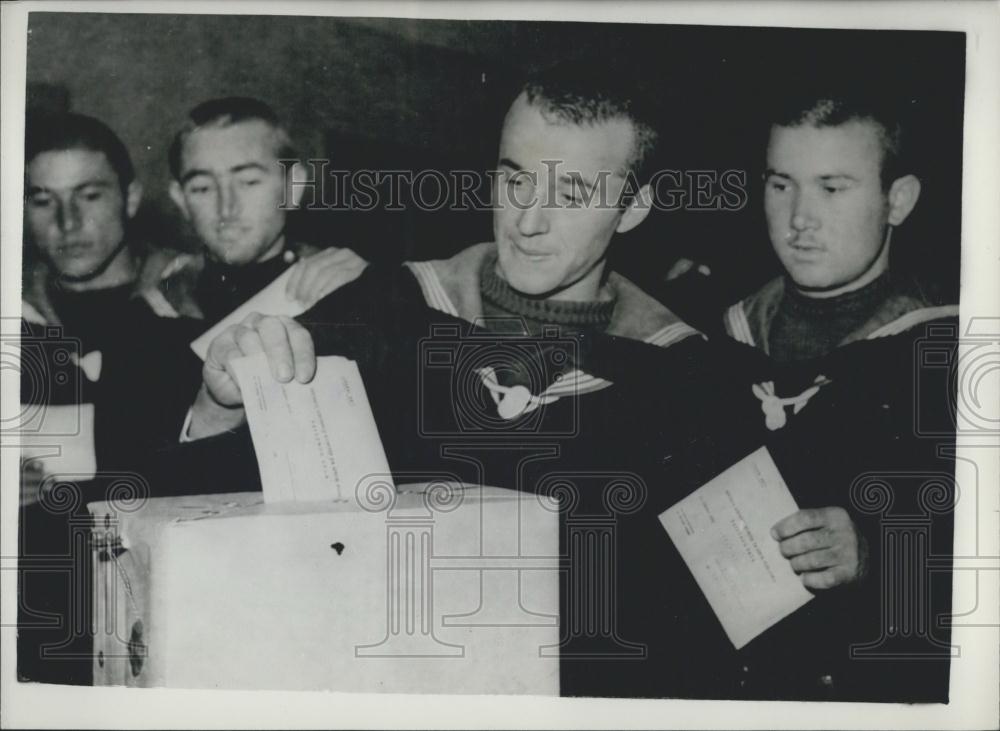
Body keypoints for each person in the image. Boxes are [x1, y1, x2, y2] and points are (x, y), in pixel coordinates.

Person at [151, 64, 730, 698]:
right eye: (514, 180)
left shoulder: (683, 377)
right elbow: (201, 520)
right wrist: (220, 404)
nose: (527, 221)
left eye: (571, 194)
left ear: (633, 207)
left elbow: (704, 634)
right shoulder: (383, 307)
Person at [713, 89, 958, 701]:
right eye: (780, 185)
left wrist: (876, 555)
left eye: (832, 187)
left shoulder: (953, 353)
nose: (800, 218)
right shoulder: (718, 335)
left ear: (896, 200)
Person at [163, 96, 369, 323]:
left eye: (249, 182)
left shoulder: (341, 286)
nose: (226, 209)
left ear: (293, 187)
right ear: (181, 199)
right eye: (202, 188)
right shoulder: (159, 304)